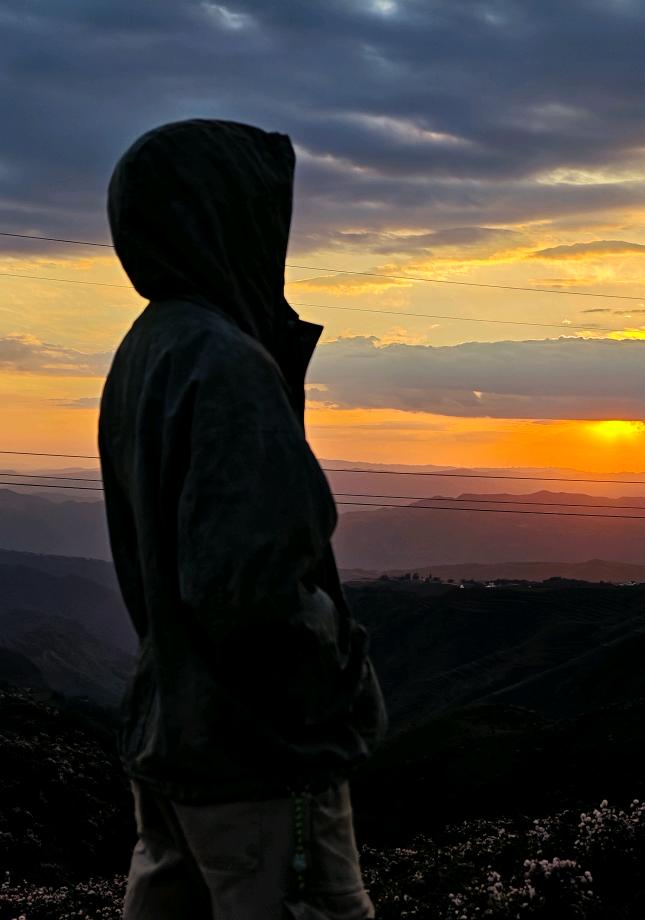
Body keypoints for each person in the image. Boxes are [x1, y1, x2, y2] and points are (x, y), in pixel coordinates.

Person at [98, 118, 387, 919]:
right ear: (225, 218)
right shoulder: (225, 362)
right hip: (260, 759)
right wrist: (333, 677)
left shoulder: (147, 348)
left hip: (174, 741)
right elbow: (249, 591)